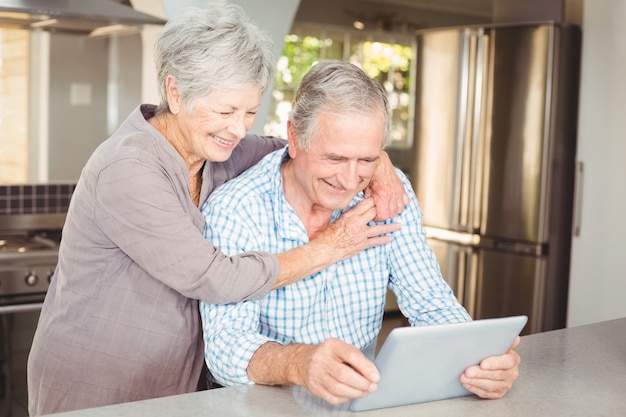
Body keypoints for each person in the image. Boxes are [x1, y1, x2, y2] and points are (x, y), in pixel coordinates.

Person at [26, 5, 406, 416]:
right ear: (175, 93)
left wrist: (378, 162)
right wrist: (328, 248)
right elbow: (215, 278)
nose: (239, 129)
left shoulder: (223, 151)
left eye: (248, 112)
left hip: (180, 385)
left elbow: (305, 152)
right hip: (99, 384)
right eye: (225, 112)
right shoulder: (128, 168)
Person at [200, 60, 521, 405]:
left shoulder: (387, 195)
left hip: (358, 406)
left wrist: (477, 359)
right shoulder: (236, 209)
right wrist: (299, 363)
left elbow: (429, 302)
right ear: (294, 138)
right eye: (335, 159)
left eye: (367, 160)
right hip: (259, 407)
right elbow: (225, 345)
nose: (350, 180)